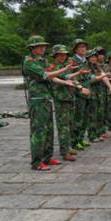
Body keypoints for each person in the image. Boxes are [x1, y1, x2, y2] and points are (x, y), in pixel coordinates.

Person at [22, 36, 76, 170]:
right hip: (37, 100)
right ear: (32, 48)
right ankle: (36, 162)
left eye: (43, 46)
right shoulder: (29, 62)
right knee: (39, 131)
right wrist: (64, 70)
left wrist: (66, 80)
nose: (42, 48)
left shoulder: (43, 61)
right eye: (39, 46)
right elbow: (46, 75)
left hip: (46, 98)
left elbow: (54, 76)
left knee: (49, 130)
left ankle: (47, 157)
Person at [49, 44, 90, 161]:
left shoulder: (64, 66)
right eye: (60, 55)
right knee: (63, 126)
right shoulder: (53, 66)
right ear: (55, 55)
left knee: (70, 124)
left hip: (69, 97)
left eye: (65, 55)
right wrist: (74, 78)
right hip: (61, 98)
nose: (63, 57)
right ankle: (64, 151)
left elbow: (69, 77)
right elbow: (61, 78)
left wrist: (79, 80)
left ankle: (68, 146)